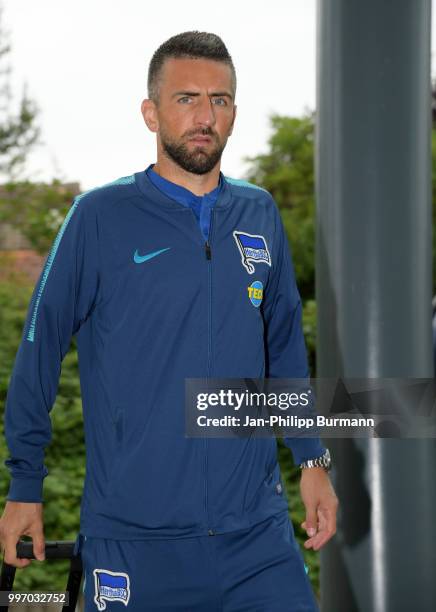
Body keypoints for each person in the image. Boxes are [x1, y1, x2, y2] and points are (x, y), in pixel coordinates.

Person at [0, 31, 338, 611]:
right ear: (151, 113)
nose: (206, 116)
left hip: (255, 537)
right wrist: (25, 482)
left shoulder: (258, 212)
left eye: (221, 99)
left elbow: (281, 346)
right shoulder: (99, 217)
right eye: (187, 99)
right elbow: (39, 348)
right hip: (134, 540)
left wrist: (311, 459)